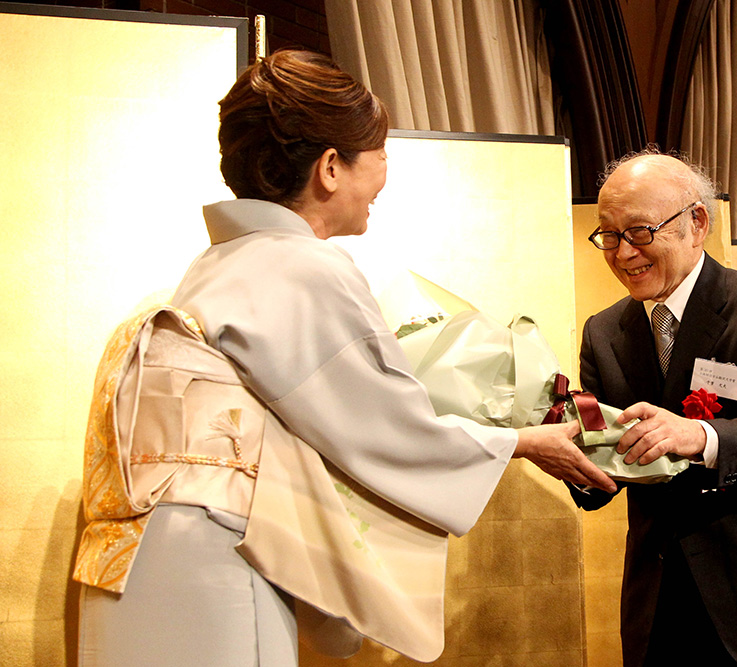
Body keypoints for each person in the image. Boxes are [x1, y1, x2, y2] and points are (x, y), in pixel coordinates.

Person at [73, 49, 615, 666]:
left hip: (140, 549)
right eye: (380, 153)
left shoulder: (216, 266)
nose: (386, 173)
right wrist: (519, 442)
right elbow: (387, 428)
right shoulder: (303, 265)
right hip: (214, 548)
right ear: (331, 167)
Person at [570, 148, 737, 666]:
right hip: (659, 599)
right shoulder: (604, 333)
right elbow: (599, 477)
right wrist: (569, 454)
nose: (623, 253)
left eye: (639, 232)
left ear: (696, 223)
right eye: (608, 236)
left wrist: (699, 436)